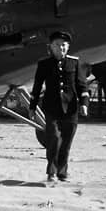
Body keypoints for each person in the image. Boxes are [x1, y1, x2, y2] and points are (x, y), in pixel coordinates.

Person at [28, 31, 89, 182]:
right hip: (51, 107)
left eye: (63, 45)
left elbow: (82, 86)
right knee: (54, 138)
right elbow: (36, 87)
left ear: (68, 47)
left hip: (71, 108)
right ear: (51, 47)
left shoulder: (75, 63)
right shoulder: (44, 64)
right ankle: (51, 172)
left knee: (66, 142)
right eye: (57, 45)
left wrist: (84, 104)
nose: (60, 48)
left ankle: (62, 172)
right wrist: (32, 107)